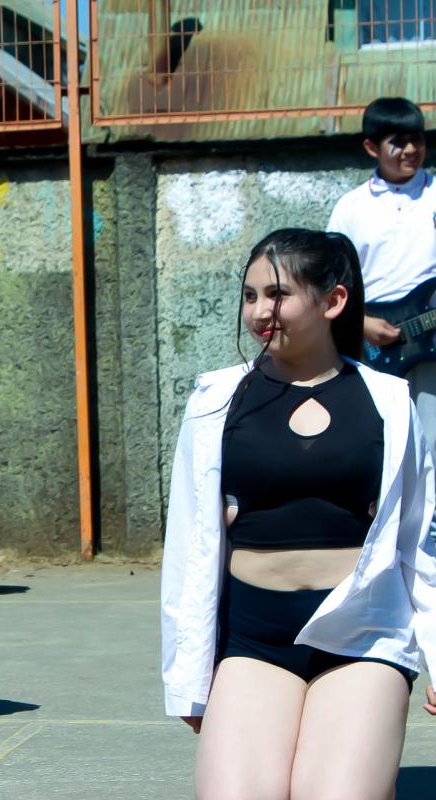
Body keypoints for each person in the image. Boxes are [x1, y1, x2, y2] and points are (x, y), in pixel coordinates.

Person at [161, 229, 436, 798]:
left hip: (363, 635)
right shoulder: (216, 400)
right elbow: (188, 544)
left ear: (333, 301)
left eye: (278, 294)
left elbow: (420, 539)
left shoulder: (389, 401)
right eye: (250, 296)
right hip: (253, 638)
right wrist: (186, 673)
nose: (260, 311)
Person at [327, 97, 436, 449]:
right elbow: (330, 280)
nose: (411, 150)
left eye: (417, 139)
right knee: (382, 441)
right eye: (398, 143)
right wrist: (360, 322)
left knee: (432, 440)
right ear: (371, 147)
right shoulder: (351, 207)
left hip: (432, 341)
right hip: (374, 344)